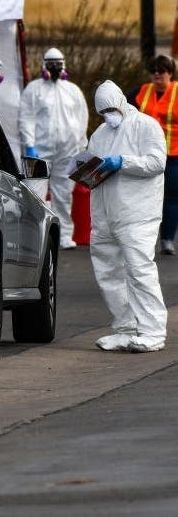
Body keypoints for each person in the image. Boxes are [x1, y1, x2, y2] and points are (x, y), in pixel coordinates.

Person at [89, 80, 167, 353]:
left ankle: (153, 331)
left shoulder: (146, 125)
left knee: (139, 271)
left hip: (138, 212)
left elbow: (157, 162)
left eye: (111, 108)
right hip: (106, 213)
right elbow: (95, 169)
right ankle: (125, 328)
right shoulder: (100, 133)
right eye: (103, 111)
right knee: (109, 273)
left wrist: (123, 162)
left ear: (122, 101)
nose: (108, 114)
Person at [18, 47, 89, 249]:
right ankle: (35, 237)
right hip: (38, 150)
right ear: (44, 65)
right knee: (34, 194)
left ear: (64, 65)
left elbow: (82, 118)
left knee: (63, 194)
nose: (55, 67)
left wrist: (81, 145)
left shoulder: (73, 91)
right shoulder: (34, 89)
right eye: (51, 63)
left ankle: (63, 235)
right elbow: (26, 118)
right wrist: (29, 144)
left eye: (58, 63)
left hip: (68, 151)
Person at [129, 54, 178, 255]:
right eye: (153, 71)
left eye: (162, 71)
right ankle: (143, 240)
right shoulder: (142, 92)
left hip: (174, 154)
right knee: (144, 197)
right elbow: (122, 109)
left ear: (170, 73)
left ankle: (167, 239)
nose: (157, 75)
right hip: (146, 154)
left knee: (172, 198)